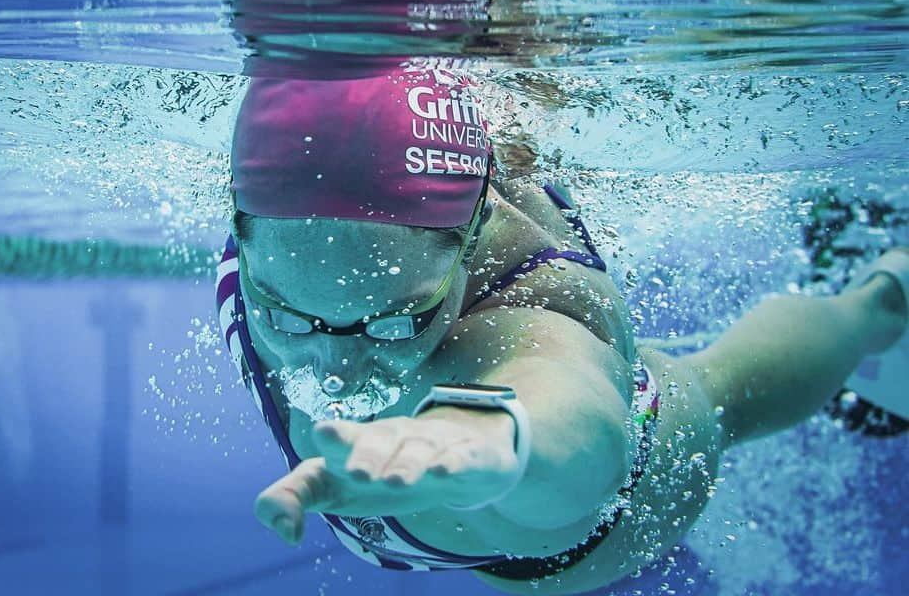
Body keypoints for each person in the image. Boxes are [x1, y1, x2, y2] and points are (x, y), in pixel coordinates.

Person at [214, 66, 908, 595]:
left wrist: (496, 436)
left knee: (719, 392)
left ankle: (880, 301)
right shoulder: (291, 201)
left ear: (473, 233)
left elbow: (571, 415)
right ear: (239, 229)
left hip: (596, 526)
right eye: (283, 315)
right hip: (454, 526)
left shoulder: (527, 310)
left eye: (398, 321)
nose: (336, 367)